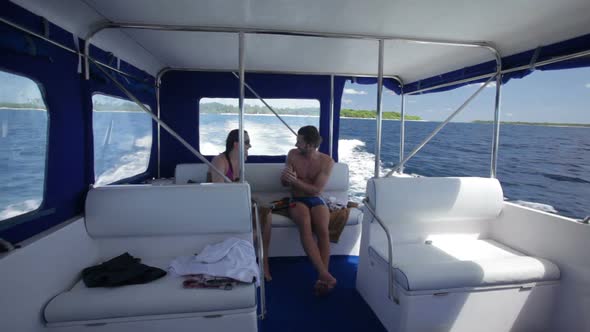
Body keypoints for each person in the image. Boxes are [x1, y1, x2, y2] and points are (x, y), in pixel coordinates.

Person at [208, 129, 273, 281]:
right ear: (236, 144)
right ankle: (246, 260)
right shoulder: (220, 160)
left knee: (267, 213)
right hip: (222, 204)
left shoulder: (242, 158)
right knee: (257, 223)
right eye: (247, 142)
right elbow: (217, 192)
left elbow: (239, 184)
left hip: (237, 200)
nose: (250, 146)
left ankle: (264, 263)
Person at [281, 125, 336, 295]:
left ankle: (322, 279)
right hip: (296, 200)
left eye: (300, 142)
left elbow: (317, 190)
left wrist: (295, 181)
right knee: (305, 223)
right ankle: (323, 274)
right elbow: (284, 184)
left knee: (322, 229)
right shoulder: (292, 154)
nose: (296, 144)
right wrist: (285, 179)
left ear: (311, 145)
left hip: (316, 199)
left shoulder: (327, 161)